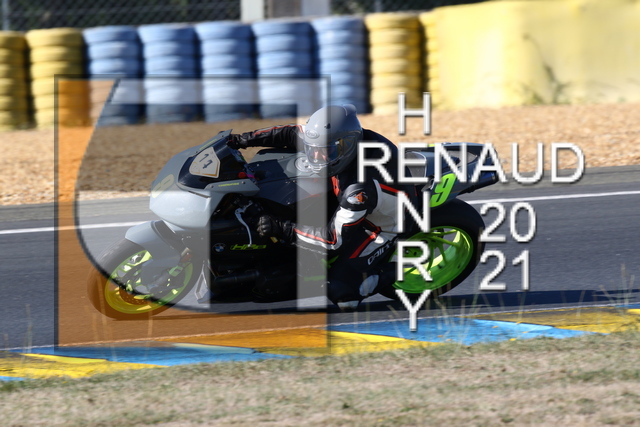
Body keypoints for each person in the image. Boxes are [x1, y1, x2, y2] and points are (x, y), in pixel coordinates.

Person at [228, 104, 420, 310]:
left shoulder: (358, 190)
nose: (317, 156)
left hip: (381, 225)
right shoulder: (332, 138)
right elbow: (291, 132)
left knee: (343, 294)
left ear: (347, 146)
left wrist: (281, 227)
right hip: (354, 200)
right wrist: (243, 140)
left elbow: (333, 241)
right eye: (313, 149)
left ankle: (396, 270)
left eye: (326, 151)